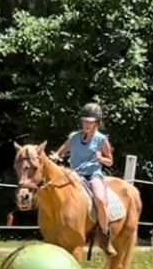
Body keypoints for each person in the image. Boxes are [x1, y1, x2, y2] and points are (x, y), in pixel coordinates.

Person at [50, 102, 116, 256]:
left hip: (93, 174)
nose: (86, 124)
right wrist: (55, 156)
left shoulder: (101, 139)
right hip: (74, 175)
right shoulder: (74, 137)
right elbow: (61, 152)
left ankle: (105, 237)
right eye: (84, 121)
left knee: (100, 199)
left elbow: (110, 160)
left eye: (90, 122)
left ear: (97, 123)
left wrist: (101, 158)